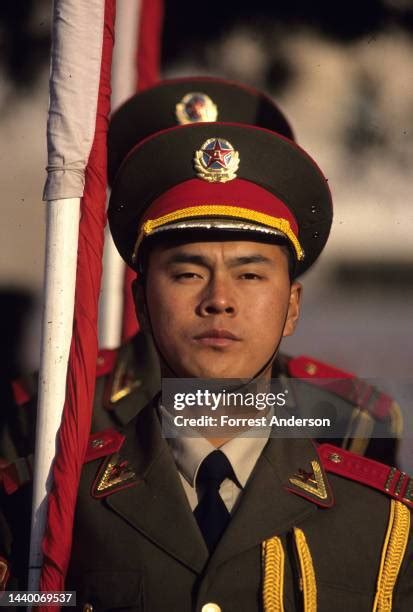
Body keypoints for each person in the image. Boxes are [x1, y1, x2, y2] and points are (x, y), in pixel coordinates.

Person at [65, 121, 412, 610]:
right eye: (188, 273)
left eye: (249, 274)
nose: (219, 300)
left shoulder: (383, 522)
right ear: (141, 304)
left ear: (292, 306)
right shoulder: (55, 502)